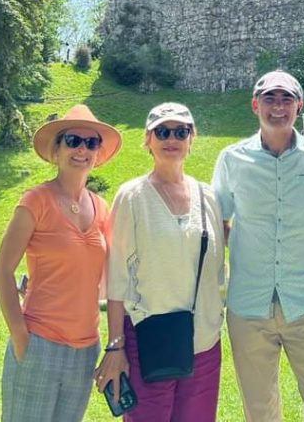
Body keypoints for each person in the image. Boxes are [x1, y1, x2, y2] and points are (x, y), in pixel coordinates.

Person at [212, 71, 304, 422]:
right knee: (259, 411)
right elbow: (219, 224)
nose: (278, 107)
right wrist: (247, 250)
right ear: (255, 105)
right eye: (270, 99)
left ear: (299, 106)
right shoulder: (231, 159)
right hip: (248, 307)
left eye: (286, 99)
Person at [96, 103, 225, 422]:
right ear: (148, 140)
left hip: (203, 340)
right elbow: (117, 278)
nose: (172, 139)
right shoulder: (132, 197)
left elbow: (217, 271)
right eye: (162, 132)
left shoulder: (207, 196)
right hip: (148, 338)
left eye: (181, 132)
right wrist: (115, 346)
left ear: (191, 138)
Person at [0, 104, 121, 422]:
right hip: (39, 344)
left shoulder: (103, 208)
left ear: (97, 153)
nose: (82, 149)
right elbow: (2, 271)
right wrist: (20, 337)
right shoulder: (35, 201)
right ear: (57, 149)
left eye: (91, 143)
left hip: (84, 351)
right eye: (73, 140)